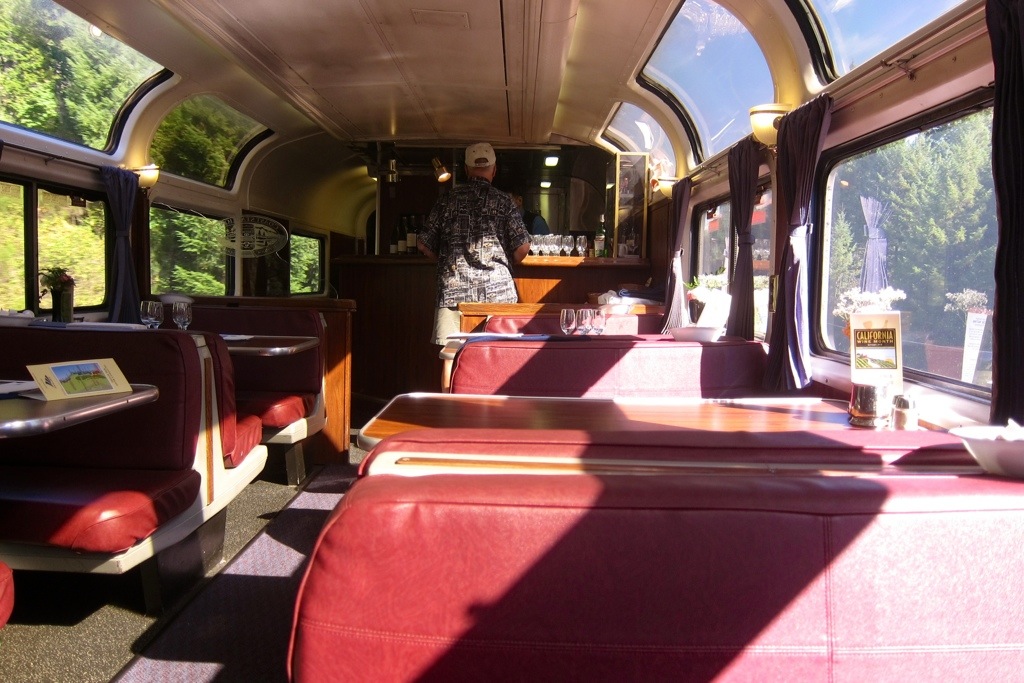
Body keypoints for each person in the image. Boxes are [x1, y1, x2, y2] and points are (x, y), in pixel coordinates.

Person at [418, 142, 531, 345]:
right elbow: (522, 247)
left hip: (453, 293)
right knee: (496, 356)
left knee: (450, 356)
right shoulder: (504, 202)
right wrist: (507, 261)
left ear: (466, 169)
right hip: (498, 293)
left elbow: (424, 244)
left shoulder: (447, 200)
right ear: (494, 170)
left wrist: (445, 261)